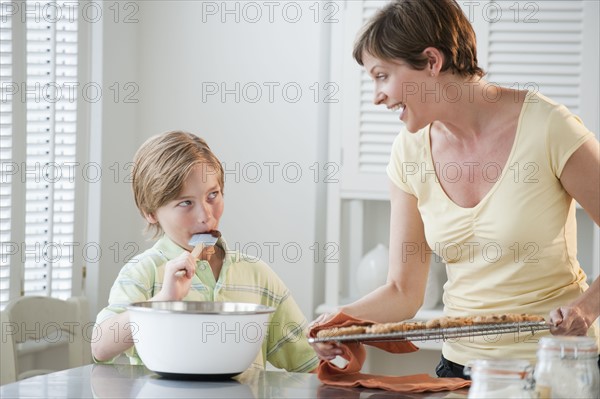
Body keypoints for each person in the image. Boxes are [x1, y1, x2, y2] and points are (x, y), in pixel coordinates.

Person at [310, 0, 599, 378]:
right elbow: (402, 290)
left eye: (382, 75)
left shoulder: (549, 127)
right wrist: (336, 323)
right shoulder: (408, 152)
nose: (376, 95)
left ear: (432, 61)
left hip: (554, 367)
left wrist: (587, 308)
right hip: (461, 371)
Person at [92, 131, 318, 373]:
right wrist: (164, 300)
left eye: (213, 195)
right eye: (185, 203)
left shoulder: (257, 274)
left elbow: (309, 364)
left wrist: (334, 349)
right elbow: (101, 346)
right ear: (150, 212)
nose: (206, 216)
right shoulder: (143, 272)